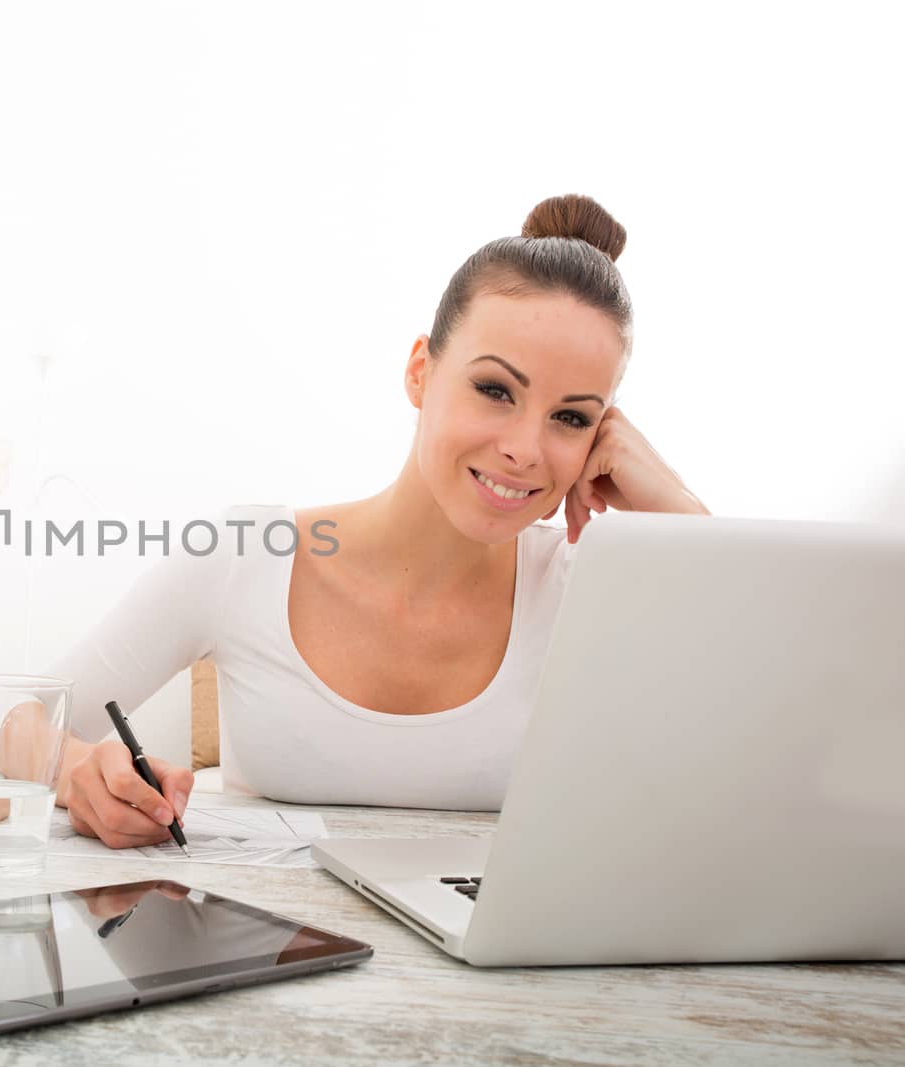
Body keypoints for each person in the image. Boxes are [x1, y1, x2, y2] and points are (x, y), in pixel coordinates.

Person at [47, 194, 709, 849]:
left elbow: (788, 755)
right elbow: (10, 720)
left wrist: (678, 505)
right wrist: (73, 769)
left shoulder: (586, 592)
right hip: (269, 943)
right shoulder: (245, 555)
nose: (525, 449)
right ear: (421, 371)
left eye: (571, 417)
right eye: (496, 390)